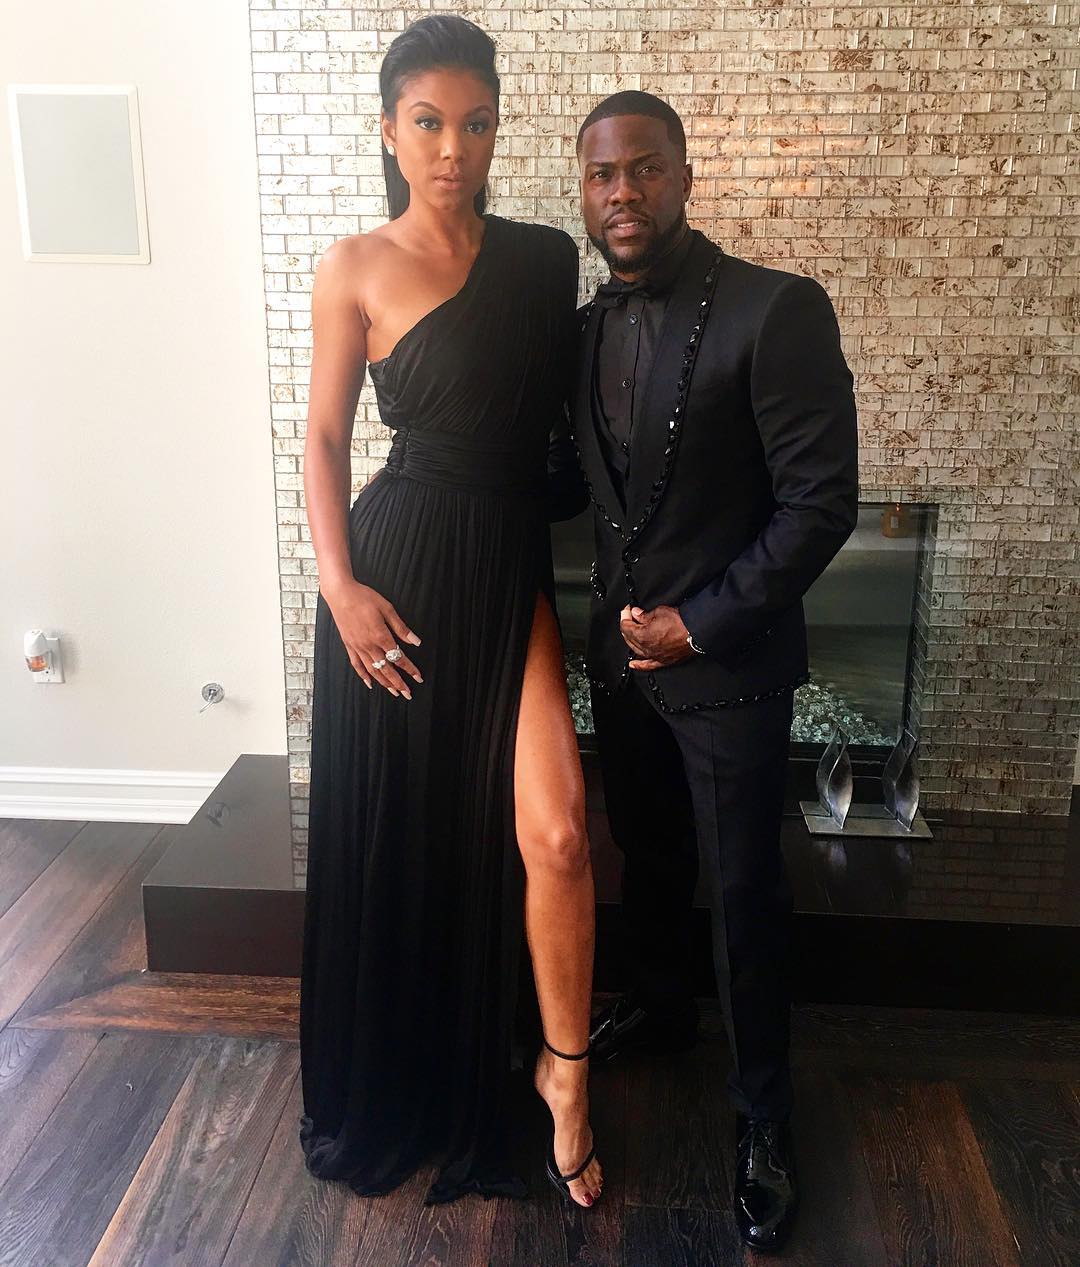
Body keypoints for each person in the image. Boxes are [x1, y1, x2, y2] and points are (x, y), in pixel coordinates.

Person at [298, 14, 603, 1209]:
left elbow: (571, 424)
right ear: (389, 129)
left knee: (558, 829)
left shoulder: (544, 260)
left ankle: (562, 1073)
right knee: (406, 834)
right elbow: (325, 440)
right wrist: (339, 587)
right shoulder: (354, 266)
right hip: (397, 577)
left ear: (495, 130)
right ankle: (411, 1071)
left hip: (507, 563)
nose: (452, 148)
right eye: (428, 122)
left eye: (475, 124)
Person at [570, 91, 859, 1251]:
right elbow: (594, 486)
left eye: (645, 168)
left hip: (726, 664)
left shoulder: (775, 310)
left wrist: (698, 625)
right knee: (648, 855)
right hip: (622, 664)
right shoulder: (583, 330)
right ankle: (660, 1010)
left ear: (685, 177)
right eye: (603, 175)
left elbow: (818, 504)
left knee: (743, 897)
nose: (624, 192)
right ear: (584, 192)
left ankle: (763, 1119)